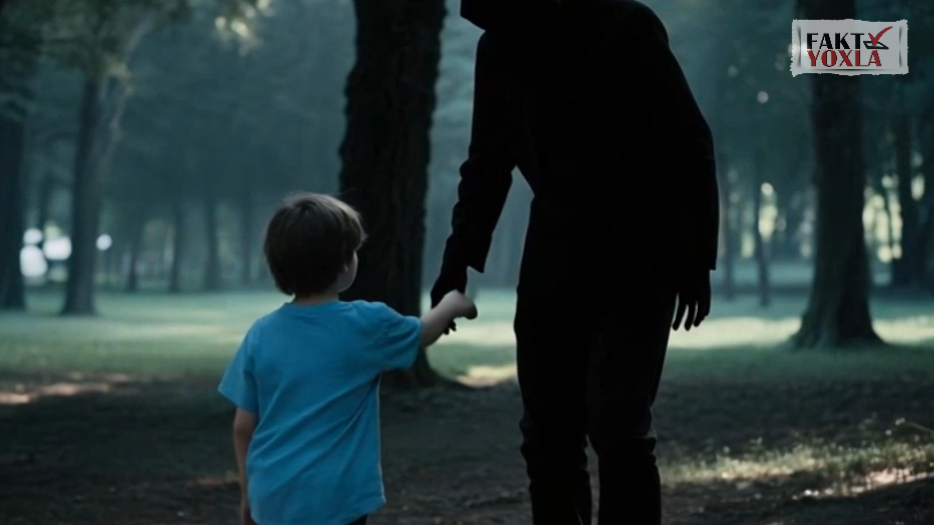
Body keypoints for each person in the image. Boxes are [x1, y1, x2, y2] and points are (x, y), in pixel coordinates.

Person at [430, 1, 719, 524]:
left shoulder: (625, 26)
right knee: (552, 434)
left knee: (616, 427)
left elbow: (687, 140)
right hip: (567, 257)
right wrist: (458, 260)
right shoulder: (502, 47)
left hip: (633, 258)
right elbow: (487, 162)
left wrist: (695, 257)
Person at [218, 192, 478, 525]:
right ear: (344, 263)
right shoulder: (365, 325)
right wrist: (454, 303)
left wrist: (247, 494)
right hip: (336, 496)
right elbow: (423, 333)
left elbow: (243, 426)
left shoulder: (260, 334)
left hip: (272, 495)